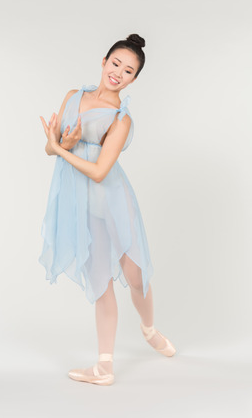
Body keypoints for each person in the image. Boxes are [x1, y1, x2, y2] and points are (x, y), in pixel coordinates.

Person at [39, 33, 176, 386]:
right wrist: (58, 146)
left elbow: (100, 172)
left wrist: (62, 149)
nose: (118, 72)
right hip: (78, 202)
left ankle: (149, 329)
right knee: (100, 282)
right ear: (103, 62)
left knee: (135, 275)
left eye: (128, 71)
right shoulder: (73, 96)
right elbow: (50, 149)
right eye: (115, 63)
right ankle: (104, 366)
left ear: (133, 79)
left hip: (112, 200)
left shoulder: (121, 118)